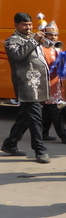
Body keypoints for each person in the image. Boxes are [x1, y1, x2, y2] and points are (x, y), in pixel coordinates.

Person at [1, 12, 51, 163]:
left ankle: (10, 143)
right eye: (24, 25)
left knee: (25, 117)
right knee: (36, 118)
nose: (28, 27)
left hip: (37, 84)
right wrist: (34, 40)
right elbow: (17, 56)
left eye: (30, 24)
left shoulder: (31, 38)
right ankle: (40, 150)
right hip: (26, 85)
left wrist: (44, 39)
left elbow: (46, 47)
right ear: (16, 25)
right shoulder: (12, 41)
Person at [40, 19, 66, 144]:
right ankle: (63, 135)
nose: (54, 37)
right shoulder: (41, 49)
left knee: (48, 110)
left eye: (55, 35)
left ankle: (43, 133)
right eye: (51, 35)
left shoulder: (57, 49)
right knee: (55, 110)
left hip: (57, 83)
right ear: (45, 35)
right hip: (48, 84)